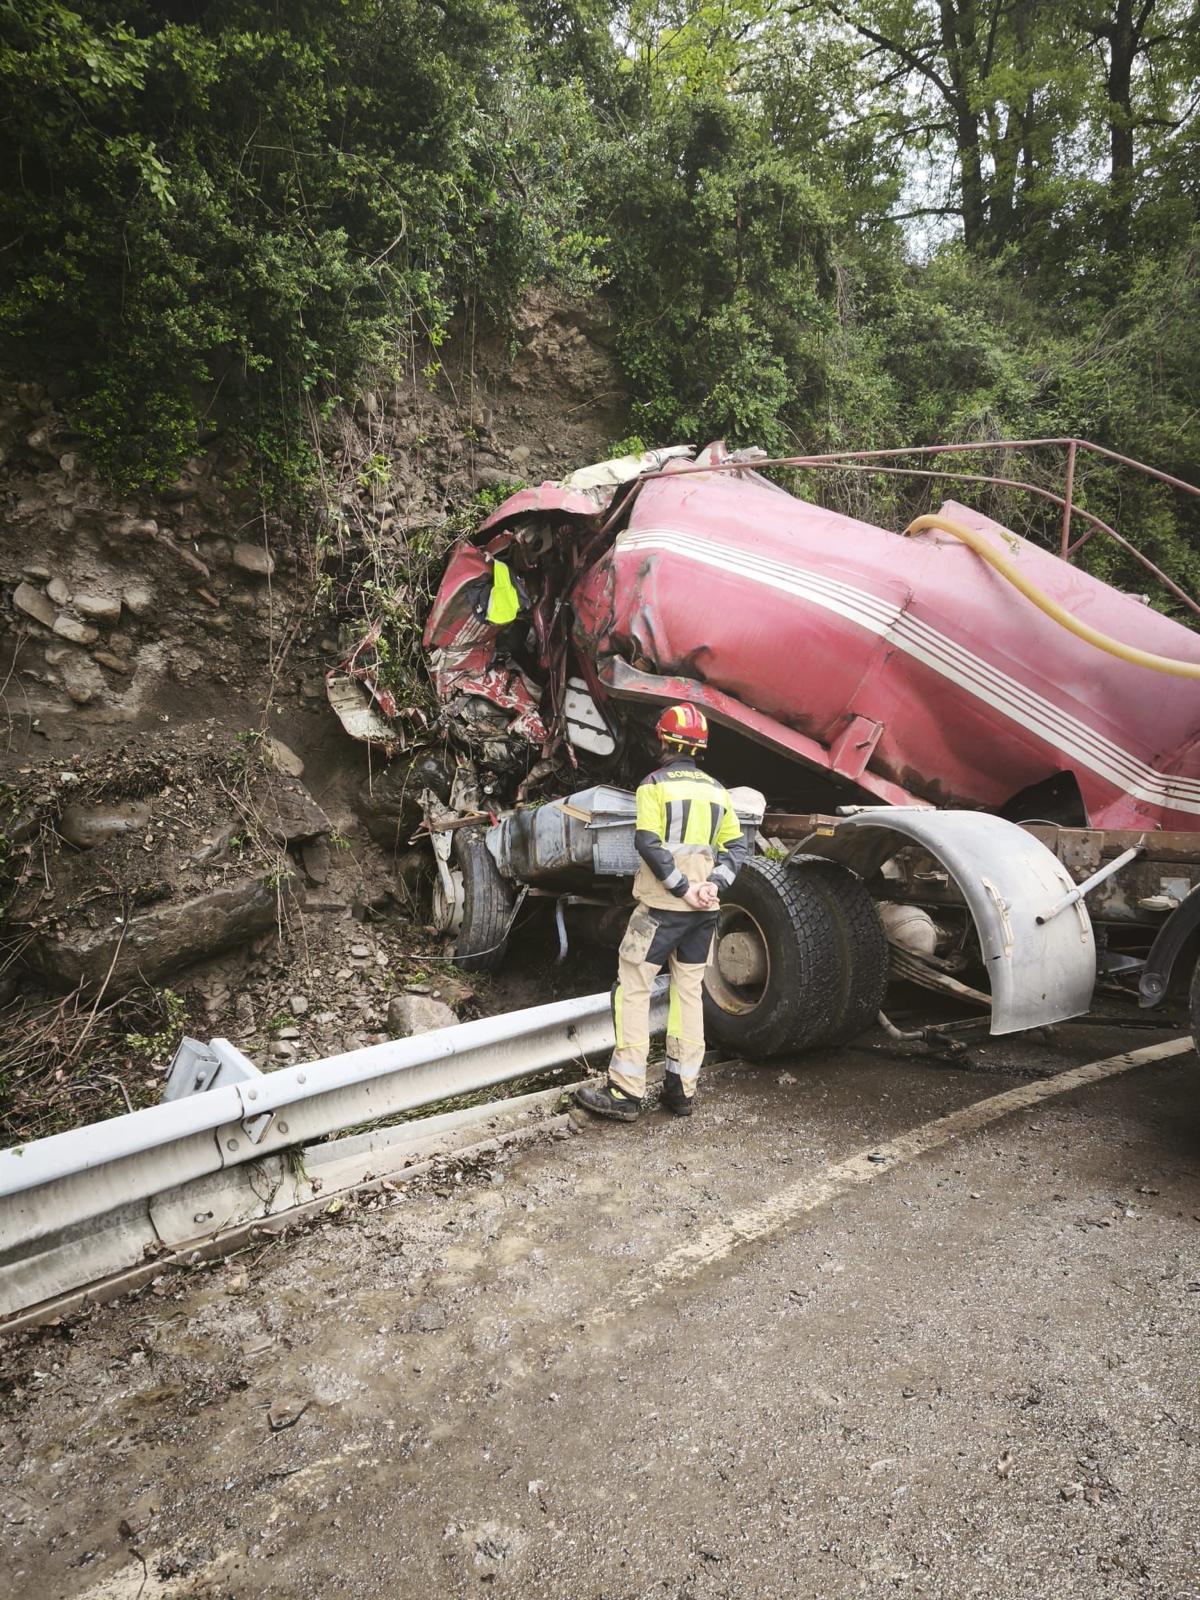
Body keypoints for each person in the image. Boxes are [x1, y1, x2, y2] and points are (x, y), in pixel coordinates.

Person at [575, 703, 748, 1123]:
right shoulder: (716, 791)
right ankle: (681, 1089)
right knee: (688, 994)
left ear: (664, 741)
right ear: (700, 748)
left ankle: (625, 1091)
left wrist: (682, 888)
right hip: (703, 914)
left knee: (632, 988)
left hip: (661, 911)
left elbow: (648, 844)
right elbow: (737, 847)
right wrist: (712, 886)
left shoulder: (653, 786)